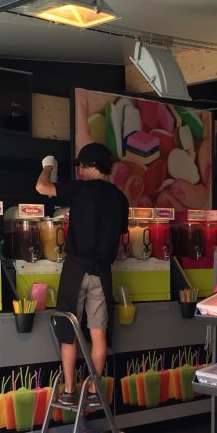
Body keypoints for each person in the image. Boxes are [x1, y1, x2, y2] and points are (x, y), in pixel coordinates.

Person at [36, 144, 129, 407]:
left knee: (69, 331)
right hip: (103, 271)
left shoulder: (80, 189)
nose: (80, 170)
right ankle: (93, 391)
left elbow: (42, 187)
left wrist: (48, 166)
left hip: (76, 269)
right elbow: (122, 244)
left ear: (92, 165)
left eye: (82, 165)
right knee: (98, 334)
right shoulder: (120, 198)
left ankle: (68, 391)